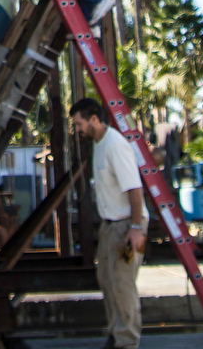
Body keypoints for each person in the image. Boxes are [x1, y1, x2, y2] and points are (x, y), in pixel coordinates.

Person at [70, 97, 148, 349]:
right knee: (106, 278)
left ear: (94, 119)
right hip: (111, 226)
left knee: (123, 283)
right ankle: (117, 334)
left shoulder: (115, 145)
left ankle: (127, 342)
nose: (77, 129)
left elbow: (135, 189)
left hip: (128, 227)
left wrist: (136, 229)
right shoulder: (99, 143)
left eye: (79, 124)